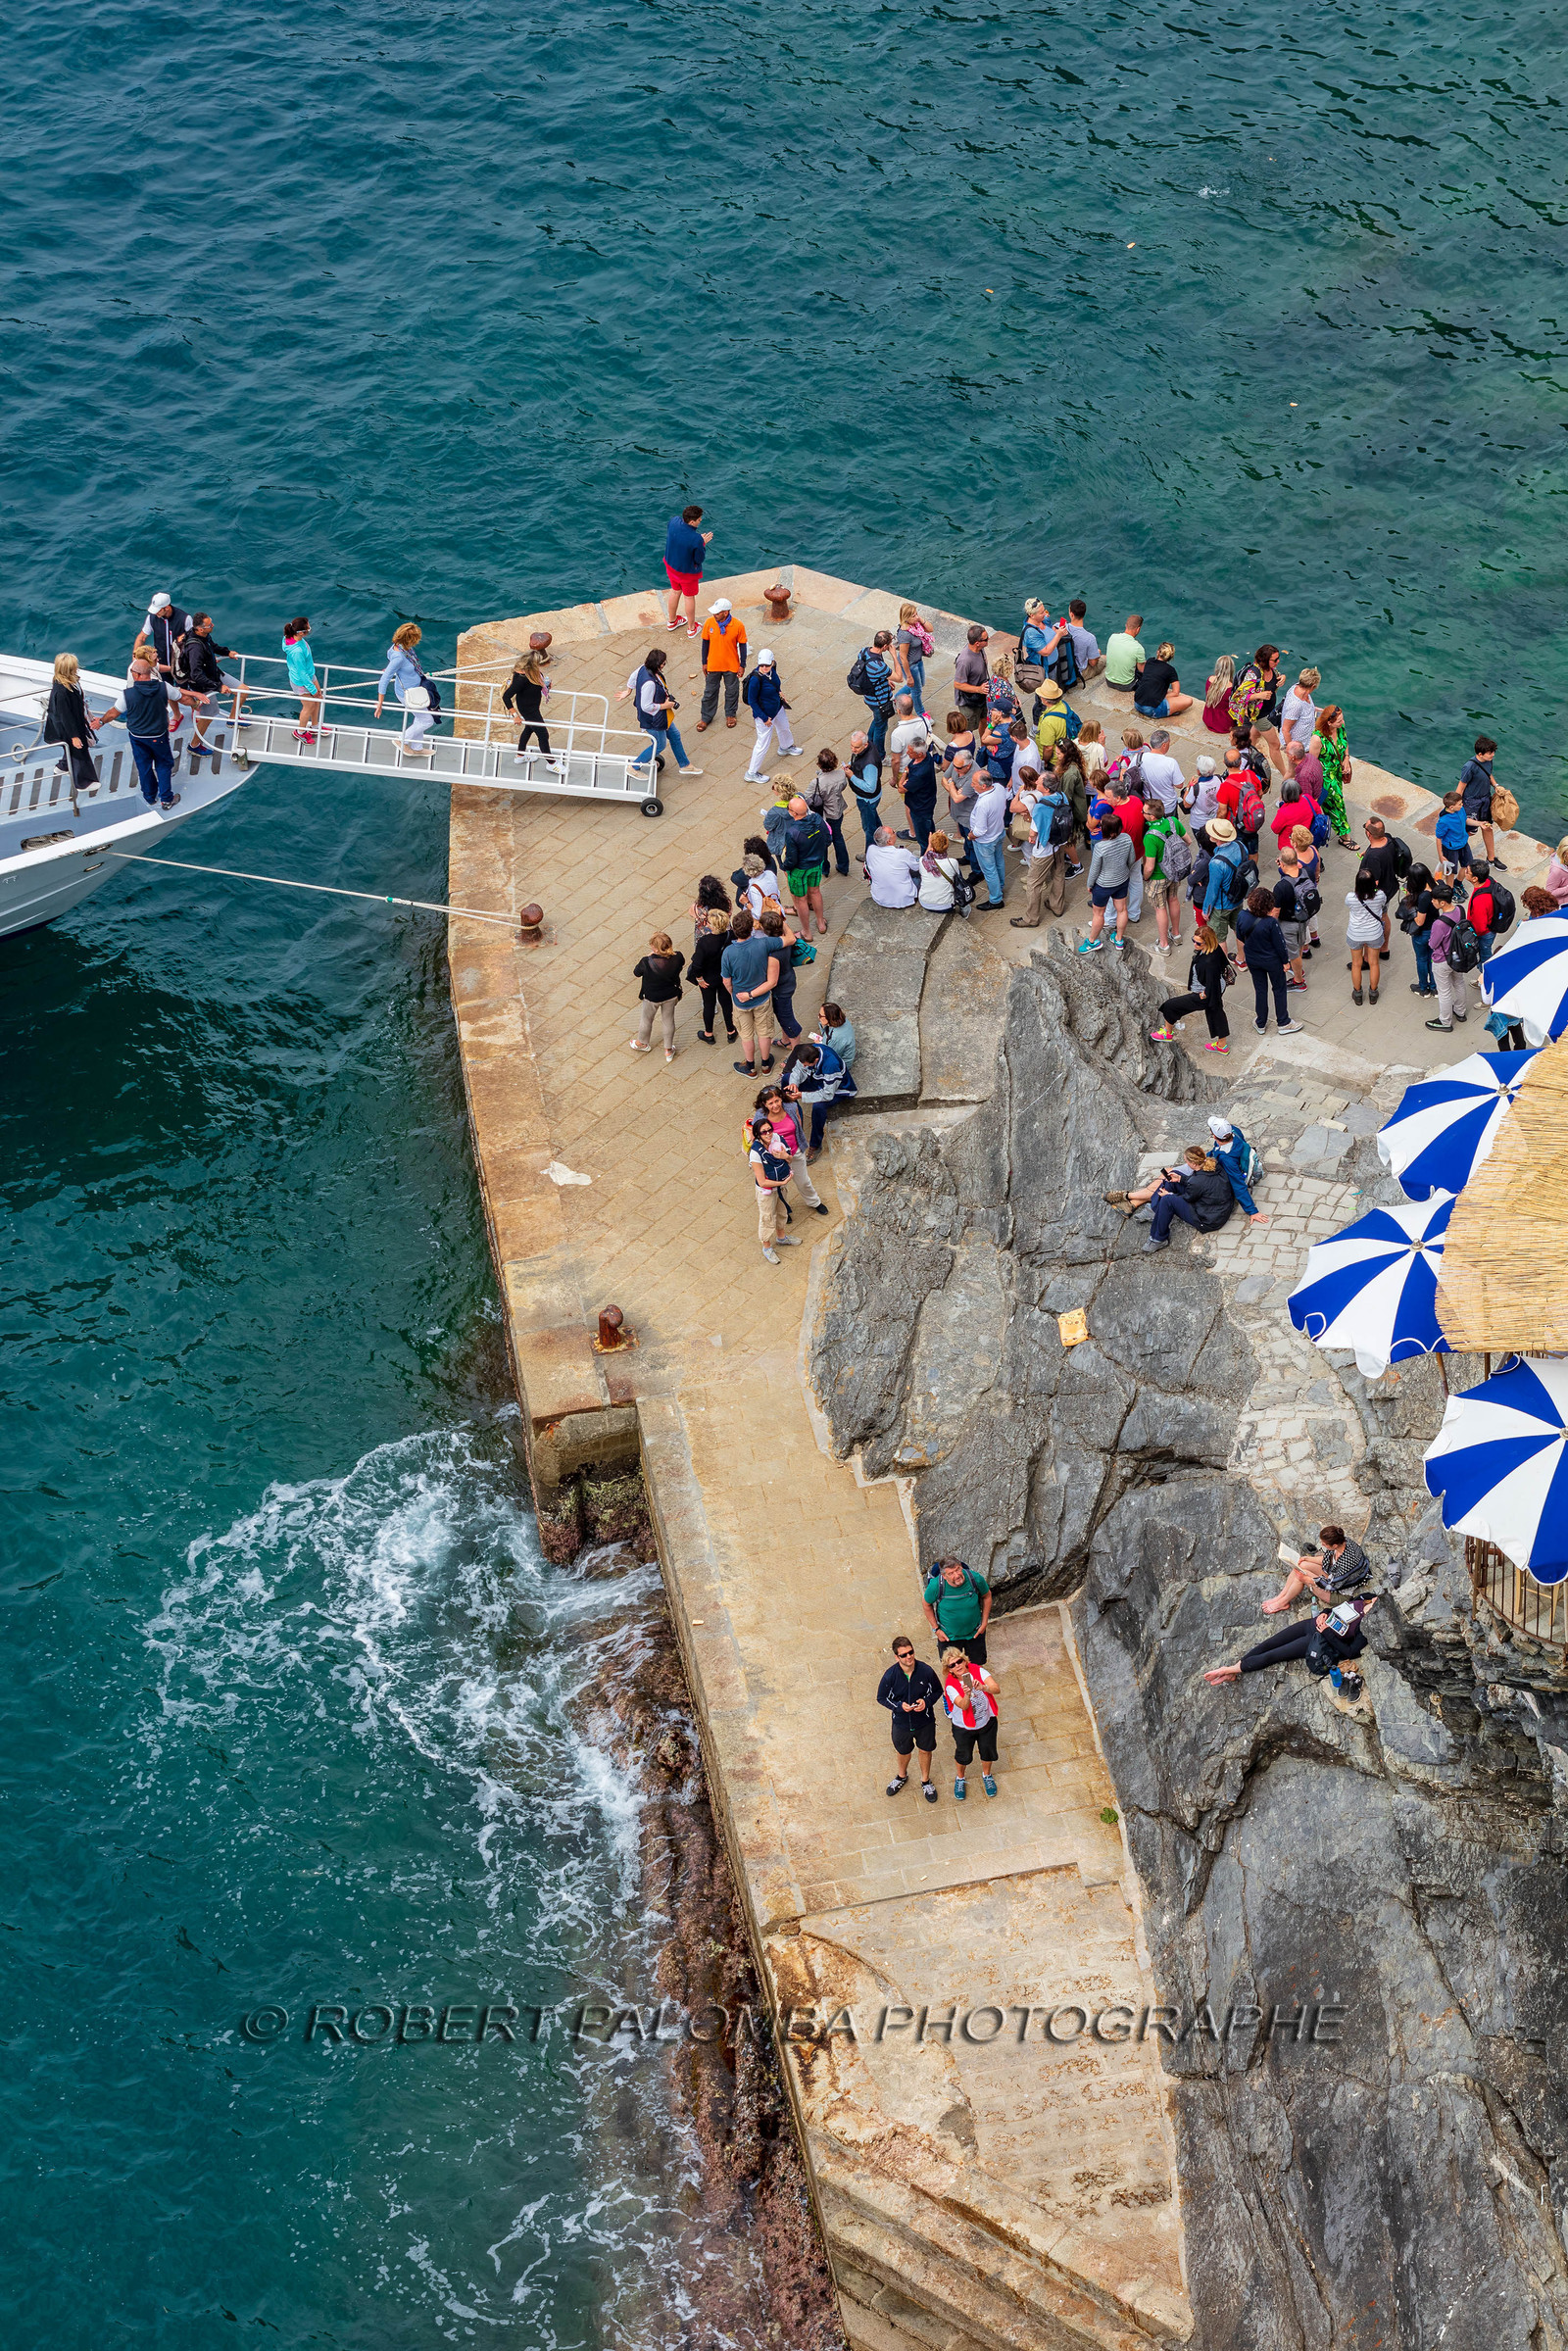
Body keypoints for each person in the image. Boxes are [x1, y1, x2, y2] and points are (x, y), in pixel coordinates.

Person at [1205, 1593, 1378, 1685]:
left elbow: (1350, 1651)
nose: (1375, 1601)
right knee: (1270, 1643)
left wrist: (1326, 1632)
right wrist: (1324, 1614)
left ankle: (1230, 1670)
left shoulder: (1368, 1626)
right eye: (1377, 1599)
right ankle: (1234, 1670)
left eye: (1377, 1603)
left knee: (1274, 1655)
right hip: (1311, 1624)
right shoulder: (1366, 1597)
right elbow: (1337, 1608)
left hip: (1318, 1641)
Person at [1112, 1146, 1236, 1254]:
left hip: (1208, 1219)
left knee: (1168, 1200)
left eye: (1186, 1161)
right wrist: (1181, 1179)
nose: (1186, 1164)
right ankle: (1156, 1210)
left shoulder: (1197, 1182)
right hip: (1214, 1206)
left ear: (1193, 1164)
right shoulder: (1213, 1165)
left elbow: (1189, 1197)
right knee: (1172, 1177)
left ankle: (1158, 1239)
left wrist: (1169, 1194)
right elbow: (1199, 1186)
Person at [99, 658, 182, 809]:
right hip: (158, 736)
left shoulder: (127, 695)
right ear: (150, 672)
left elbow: (113, 714)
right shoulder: (165, 687)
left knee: (144, 766)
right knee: (163, 765)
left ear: (136, 675)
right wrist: (197, 701)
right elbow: (180, 697)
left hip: (137, 737)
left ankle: (150, 797)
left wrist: (100, 722)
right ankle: (166, 799)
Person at [620, 646, 702, 780]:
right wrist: (666, 705)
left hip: (660, 717)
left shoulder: (643, 668)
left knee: (675, 735)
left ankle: (685, 765)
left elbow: (633, 677)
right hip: (653, 720)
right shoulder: (650, 684)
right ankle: (634, 767)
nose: (665, 665)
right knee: (659, 745)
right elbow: (646, 706)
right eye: (663, 663)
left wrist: (628, 691)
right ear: (658, 665)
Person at [877, 1639, 944, 1801]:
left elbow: (937, 1691)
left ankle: (925, 1781)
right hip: (901, 1723)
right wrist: (899, 1707)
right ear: (896, 1657)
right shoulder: (890, 1676)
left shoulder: (926, 1671)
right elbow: (881, 1698)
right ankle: (901, 1776)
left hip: (924, 1721)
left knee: (925, 1750)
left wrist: (926, 1702)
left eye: (911, 1652)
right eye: (904, 1655)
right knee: (903, 1751)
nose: (909, 1657)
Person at [1150, 922, 1232, 1052]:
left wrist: (1204, 995)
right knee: (1216, 1013)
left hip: (1205, 993)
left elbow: (1211, 983)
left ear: (1207, 942)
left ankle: (1167, 1033)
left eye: (1198, 943)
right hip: (1216, 989)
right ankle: (1222, 1045)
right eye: (1194, 941)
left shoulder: (1208, 962)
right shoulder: (1215, 949)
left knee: (1171, 1005)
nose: (1195, 944)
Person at [1261, 1524, 1371, 1615]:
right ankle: (1281, 1596)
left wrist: (1308, 1579)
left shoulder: (1347, 1562)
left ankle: (1283, 1602)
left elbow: (1331, 1585)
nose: (1322, 1545)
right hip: (1334, 1576)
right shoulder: (1343, 1542)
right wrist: (1307, 1559)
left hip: (1339, 1593)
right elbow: (1329, 1559)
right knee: (1302, 1564)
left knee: (1301, 1576)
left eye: (1325, 1544)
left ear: (1334, 1545)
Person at [177, 612, 246, 758]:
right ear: (200, 629)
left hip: (214, 674)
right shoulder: (195, 648)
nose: (213, 625)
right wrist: (218, 687)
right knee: (208, 716)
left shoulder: (204, 636)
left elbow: (212, 646)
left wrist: (227, 652)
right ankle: (194, 745)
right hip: (203, 685)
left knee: (243, 690)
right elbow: (196, 675)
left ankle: (232, 719)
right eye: (210, 625)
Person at [755, 1084, 828, 1214]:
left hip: (795, 1152)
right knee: (779, 1188)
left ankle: (814, 1202)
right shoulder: (760, 1117)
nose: (775, 1105)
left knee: (804, 1182)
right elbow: (757, 1136)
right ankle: (783, 1211)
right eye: (770, 1103)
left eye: (777, 1101)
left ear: (781, 1098)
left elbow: (798, 1125)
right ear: (765, 1104)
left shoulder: (792, 1107)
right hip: (774, 1160)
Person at [721, 907, 777, 1076]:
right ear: (752, 927)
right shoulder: (763, 944)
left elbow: (726, 980)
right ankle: (766, 1065)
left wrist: (733, 994)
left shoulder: (728, 953)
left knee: (746, 1035)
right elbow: (788, 939)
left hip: (741, 1000)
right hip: (762, 998)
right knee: (764, 1032)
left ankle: (751, 1067)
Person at [1011, 773, 1072, 926]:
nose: (1036, 780)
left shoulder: (1040, 806)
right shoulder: (1062, 796)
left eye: (1039, 780)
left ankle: (1031, 918)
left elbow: (1033, 833)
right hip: (1059, 843)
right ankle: (1057, 906)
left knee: (1033, 883)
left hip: (1043, 849)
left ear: (1045, 788)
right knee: (1058, 874)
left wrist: (1031, 835)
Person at [1237, 887, 1299, 1033]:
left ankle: (1261, 1023)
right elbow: (1280, 945)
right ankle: (1283, 1022)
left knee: (1260, 990)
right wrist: (1285, 962)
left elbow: (1240, 936)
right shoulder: (1270, 923)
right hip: (1272, 961)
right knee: (1279, 989)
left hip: (1252, 958)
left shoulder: (1242, 916)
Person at [942, 1651, 1001, 1802]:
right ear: (950, 1670)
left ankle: (986, 1775)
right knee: (964, 1755)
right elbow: (962, 1705)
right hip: (963, 1728)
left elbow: (996, 1688)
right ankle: (960, 1778)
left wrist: (983, 1687)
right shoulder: (950, 1685)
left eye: (959, 1661)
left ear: (964, 1661)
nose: (957, 1666)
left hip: (986, 1722)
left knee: (988, 1751)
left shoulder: (978, 1670)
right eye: (952, 1665)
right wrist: (967, 1694)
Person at [373, 621, 437, 758]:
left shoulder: (399, 647)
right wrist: (380, 703)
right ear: (410, 640)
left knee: (420, 718)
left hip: (416, 688)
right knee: (427, 720)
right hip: (408, 694)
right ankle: (402, 740)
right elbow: (384, 679)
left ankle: (417, 747)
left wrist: (395, 669)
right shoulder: (399, 656)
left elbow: (392, 659)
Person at [742, 648, 802, 783]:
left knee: (784, 727)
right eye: (762, 665)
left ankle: (786, 747)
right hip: (765, 716)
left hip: (777, 708)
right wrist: (764, 718)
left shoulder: (772, 670)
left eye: (767, 665)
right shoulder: (755, 680)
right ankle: (751, 773)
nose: (764, 668)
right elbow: (752, 701)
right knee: (762, 743)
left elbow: (775, 683)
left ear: (772, 662)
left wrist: (779, 692)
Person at [43, 654, 100, 798]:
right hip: (68, 726)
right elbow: (65, 717)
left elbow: (78, 700)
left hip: (74, 720)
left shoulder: (70, 681)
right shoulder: (61, 692)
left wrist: (87, 712)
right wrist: (74, 736)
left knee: (71, 749)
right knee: (79, 750)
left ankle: (63, 765)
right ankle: (82, 782)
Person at [1080, 811, 1135, 951]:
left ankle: (1092, 941)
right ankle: (1119, 939)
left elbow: (1094, 870)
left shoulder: (1100, 847)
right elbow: (1131, 860)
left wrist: (1089, 884)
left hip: (1103, 885)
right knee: (1122, 910)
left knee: (1098, 913)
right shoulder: (1127, 838)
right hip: (1122, 880)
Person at [748, 1115, 799, 1265]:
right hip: (767, 1190)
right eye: (764, 1132)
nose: (769, 1134)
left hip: (781, 1185)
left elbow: (790, 1159)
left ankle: (781, 1237)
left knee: (782, 1212)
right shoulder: (755, 1153)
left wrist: (785, 1156)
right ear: (758, 1135)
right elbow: (762, 1181)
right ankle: (767, 1247)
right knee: (767, 1216)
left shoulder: (778, 1138)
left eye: (770, 1130)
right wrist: (781, 1182)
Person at [502, 649, 563, 771]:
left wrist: (545, 686)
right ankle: (551, 764)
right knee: (543, 734)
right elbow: (506, 696)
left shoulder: (532, 673)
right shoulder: (521, 678)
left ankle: (520, 755)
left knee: (529, 729)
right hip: (528, 710)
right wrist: (516, 715)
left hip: (533, 706)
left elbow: (533, 688)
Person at [1143, 800, 1190, 956]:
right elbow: (1188, 841)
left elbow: (1149, 866)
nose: (1142, 814)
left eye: (1144, 812)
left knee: (1160, 908)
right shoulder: (1173, 822)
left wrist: (1145, 877)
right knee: (1173, 899)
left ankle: (1164, 945)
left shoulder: (1150, 837)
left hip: (1158, 877)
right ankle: (1176, 934)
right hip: (1174, 873)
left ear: (1151, 817)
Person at [628, 932, 685, 1061]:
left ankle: (642, 1043)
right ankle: (668, 1050)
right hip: (671, 994)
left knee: (646, 1020)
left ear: (655, 948)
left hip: (652, 996)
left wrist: (649, 957)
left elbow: (636, 973)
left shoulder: (646, 962)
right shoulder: (678, 957)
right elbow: (680, 964)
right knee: (668, 1020)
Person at [923, 1556, 992, 1663]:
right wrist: (936, 1629)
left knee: (977, 1666)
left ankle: (973, 1681)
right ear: (944, 1576)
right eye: (951, 1573)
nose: (957, 1575)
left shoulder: (975, 1578)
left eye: (958, 1569)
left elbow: (987, 1596)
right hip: (949, 1637)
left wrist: (984, 1623)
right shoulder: (936, 1586)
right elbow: (926, 1604)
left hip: (975, 1633)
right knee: (950, 1669)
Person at [1229, 645, 1286, 773]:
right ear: (1265, 660)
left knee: (1253, 737)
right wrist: (1257, 695)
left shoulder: (1272, 670)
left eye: (1278, 659)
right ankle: (1286, 775)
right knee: (1275, 745)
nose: (1278, 662)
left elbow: (1274, 680)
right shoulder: (1253, 674)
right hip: (1259, 716)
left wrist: (1282, 678)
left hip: (1268, 712)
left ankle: (1243, 760)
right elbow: (1237, 697)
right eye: (1275, 660)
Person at [781, 796, 831, 941]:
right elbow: (828, 839)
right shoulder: (817, 819)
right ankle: (821, 923)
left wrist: (785, 867)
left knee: (801, 899)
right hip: (817, 863)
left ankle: (806, 932)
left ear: (793, 813)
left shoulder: (792, 832)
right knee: (815, 892)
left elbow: (791, 857)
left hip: (799, 869)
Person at [1424, 883, 1471, 1034]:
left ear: (1442, 903)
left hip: (1442, 960)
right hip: (1459, 957)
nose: (1432, 901)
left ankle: (1445, 1021)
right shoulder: (1460, 909)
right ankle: (1460, 1011)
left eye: (1434, 900)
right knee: (1459, 983)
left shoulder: (1439, 923)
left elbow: (1433, 943)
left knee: (1444, 991)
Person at [1204, 1114, 1267, 1222]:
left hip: (1235, 1172)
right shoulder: (1235, 1131)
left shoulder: (1226, 1159)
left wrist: (1253, 1211)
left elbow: (1238, 1184)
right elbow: (1216, 1149)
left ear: (1214, 1136)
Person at [1200, 817, 1253, 942]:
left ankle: (1224, 961)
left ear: (1217, 839)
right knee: (1239, 931)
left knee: (1219, 939)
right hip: (1238, 898)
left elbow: (1212, 889)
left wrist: (1206, 910)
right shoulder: (1240, 846)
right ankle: (1241, 959)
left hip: (1222, 905)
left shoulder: (1216, 862)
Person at [690, 908, 738, 1046]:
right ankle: (731, 1031)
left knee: (709, 1005)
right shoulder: (731, 935)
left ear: (714, 926)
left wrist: (699, 978)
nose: (707, 924)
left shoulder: (704, 942)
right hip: (725, 976)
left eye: (709, 922)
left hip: (708, 979)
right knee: (727, 1003)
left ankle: (708, 1034)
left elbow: (697, 965)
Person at [698, 599, 747, 730]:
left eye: (717, 613)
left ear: (726, 613)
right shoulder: (709, 623)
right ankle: (706, 717)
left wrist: (742, 665)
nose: (715, 615)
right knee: (709, 692)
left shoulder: (738, 625)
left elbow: (743, 646)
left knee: (732, 691)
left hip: (731, 665)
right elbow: (705, 644)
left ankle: (730, 714)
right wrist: (704, 662)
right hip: (713, 665)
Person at [663, 504, 712, 635]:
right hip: (687, 573)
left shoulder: (674, 522)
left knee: (675, 591)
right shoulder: (696, 539)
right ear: (692, 521)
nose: (700, 521)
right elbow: (698, 559)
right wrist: (702, 543)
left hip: (671, 566)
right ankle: (692, 628)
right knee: (689, 597)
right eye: (699, 520)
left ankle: (672, 621)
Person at [759, 905, 805, 1043]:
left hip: (782, 989)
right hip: (789, 980)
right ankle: (785, 1041)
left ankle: (795, 1049)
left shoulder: (774, 955)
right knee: (783, 1014)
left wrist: (750, 994)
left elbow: (772, 981)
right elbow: (788, 933)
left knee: (786, 1018)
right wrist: (780, 920)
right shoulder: (785, 938)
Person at [805, 746, 851, 877]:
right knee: (838, 838)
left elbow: (808, 796)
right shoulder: (842, 775)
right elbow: (843, 786)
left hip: (824, 815)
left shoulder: (817, 782)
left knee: (822, 842)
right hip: (838, 811)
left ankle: (825, 869)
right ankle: (843, 866)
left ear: (819, 764)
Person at [1357, 818, 1401, 956]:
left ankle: (1367, 958)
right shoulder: (1387, 839)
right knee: (1384, 916)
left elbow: (1373, 883)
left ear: (1369, 834)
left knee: (1370, 924)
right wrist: (1368, 851)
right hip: (1390, 887)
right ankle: (1384, 949)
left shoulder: (1373, 857)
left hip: (1377, 895)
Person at [967, 768, 1010, 910]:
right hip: (998, 832)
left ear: (984, 786)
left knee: (989, 870)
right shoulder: (998, 788)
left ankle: (996, 899)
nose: (972, 785)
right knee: (999, 861)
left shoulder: (983, 804)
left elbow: (980, 830)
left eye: (974, 783)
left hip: (985, 841)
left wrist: (970, 835)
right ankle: (1000, 886)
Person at [1273, 839, 1311, 993]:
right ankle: (1298, 969)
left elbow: (1275, 912)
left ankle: (1298, 981)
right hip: (1303, 917)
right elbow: (1290, 870)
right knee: (1299, 945)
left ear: (1282, 864)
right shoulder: (1304, 872)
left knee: (1293, 952)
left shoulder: (1281, 887)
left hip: (1289, 923)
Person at [1460, 735, 1504, 868]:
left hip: (1485, 799)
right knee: (1469, 831)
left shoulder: (1488, 761)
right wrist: (1456, 806)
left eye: (1493, 752)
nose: (1493, 755)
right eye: (1490, 753)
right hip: (1471, 802)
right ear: (1480, 754)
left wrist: (1496, 785)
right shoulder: (1469, 767)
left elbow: (1488, 774)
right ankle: (1457, 850)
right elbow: (1461, 786)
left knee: (1487, 827)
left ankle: (1491, 859)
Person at [1397, 860, 1439, 999]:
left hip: (1423, 933)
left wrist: (1409, 904)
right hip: (1435, 930)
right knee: (1433, 958)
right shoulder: (1436, 886)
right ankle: (1435, 987)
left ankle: (1424, 988)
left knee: (1422, 959)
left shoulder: (1423, 897)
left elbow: (1419, 921)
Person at [1347, 869, 1387, 1004]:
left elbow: (1349, 906)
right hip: (1374, 933)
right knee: (1374, 963)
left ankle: (1357, 993)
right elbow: (1383, 906)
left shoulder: (1351, 897)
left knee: (1356, 964)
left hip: (1355, 933)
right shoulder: (1380, 895)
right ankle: (1373, 992)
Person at [1315, 706, 1353, 846]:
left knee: (1330, 803)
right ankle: (1345, 836)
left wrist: (1346, 759)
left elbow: (1344, 742)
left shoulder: (1340, 728)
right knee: (1338, 803)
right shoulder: (1318, 738)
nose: (1342, 723)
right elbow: (1313, 762)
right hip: (1325, 776)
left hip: (1337, 773)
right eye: (1339, 721)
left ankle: (1324, 819)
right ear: (1329, 723)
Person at [282, 616, 320, 743]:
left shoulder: (290, 638)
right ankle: (300, 732)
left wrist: (315, 690)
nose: (310, 628)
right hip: (301, 682)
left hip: (310, 675)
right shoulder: (297, 651)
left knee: (319, 698)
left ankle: (315, 727)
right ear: (300, 632)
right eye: (308, 627)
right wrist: (312, 689)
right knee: (308, 707)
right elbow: (302, 673)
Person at [1132, 641, 1195, 718]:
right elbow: (1176, 692)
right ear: (1170, 657)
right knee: (1188, 701)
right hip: (1151, 710)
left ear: (1158, 652)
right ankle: (1169, 711)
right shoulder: (1171, 670)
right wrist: (1161, 696)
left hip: (1137, 703)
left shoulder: (1149, 661)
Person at [844, 731, 885, 850]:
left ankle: (870, 855)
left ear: (865, 745)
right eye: (851, 746)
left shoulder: (869, 764)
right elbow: (858, 760)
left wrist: (851, 776)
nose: (853, 749)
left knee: (869, 829)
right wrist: (851, 765)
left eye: (856, 747)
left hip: (867, 799)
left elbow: (870, 788)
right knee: (875, 821)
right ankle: (883, 841)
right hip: (871, 798)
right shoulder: (867, 748)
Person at [892, 603, 933, 715]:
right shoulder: (905, 634)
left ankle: (895, 698)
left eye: (916, 614)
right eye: (913, 616)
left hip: (918, 661)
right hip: (910, 665)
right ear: (906, 618)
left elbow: (930, 629)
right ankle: (922, 714)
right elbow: (903, 657)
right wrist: (909, 676)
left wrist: (920, 618)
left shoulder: (916, 626)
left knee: (920, 684)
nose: (916, 617)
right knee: (916, 690)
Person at [901, 736, 941, 852]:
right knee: (928, 828)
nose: (907, 753)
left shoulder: (919, 773)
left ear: (920, 754)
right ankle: (934, 846)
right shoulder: (926, 757)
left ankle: (926, 858)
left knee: (923, 839)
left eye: (910, 752)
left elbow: (901, 788)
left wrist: (904, 773)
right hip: (926, 802)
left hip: (920, 808)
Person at [865, 825, 921, 907]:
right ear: (889, 841)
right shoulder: (902, 853)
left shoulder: (871, 850)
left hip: (880, 898)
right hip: (904, 899)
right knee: (921, 876)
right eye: (893, 832)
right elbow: (919, 866)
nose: (895, 831)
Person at [1279, 666, 1321, 772]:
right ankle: (1287, 788)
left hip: (1305, 743)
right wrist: (1292, 752)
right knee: (1293, 773)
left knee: (1301, 772)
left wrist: (1324, 711)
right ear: (1313, 686)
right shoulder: (1296, 705)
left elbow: (1308, 709)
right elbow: (1285, 729)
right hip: (1296, 747)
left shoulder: (1301, 689)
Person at [953, 623, 990, 733]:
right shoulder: (964, 661)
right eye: (986, 639)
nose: (989, 639)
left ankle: (984, 747)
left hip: (981, 696)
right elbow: (958, 684)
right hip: (968, 702)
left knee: (985, 720)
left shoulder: (980, 649)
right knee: (968, 729)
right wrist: (979, 689)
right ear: (977, 643)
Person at [918, 829, 964, 911]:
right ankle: (964, 909)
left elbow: (925, 856)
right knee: (958, 877)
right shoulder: (952, 862)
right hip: (946, 905)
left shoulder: (923, 861)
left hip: (924, 902)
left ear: (932, 848)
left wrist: (930, 843)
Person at [1103, 614, 1145, 695]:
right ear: (1138, 629)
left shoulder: (1112, 637)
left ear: (1126, 625)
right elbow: (1141, 670)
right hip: (1126, 685)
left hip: (1109, 681)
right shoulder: (1138, 647)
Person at [1435, 790, 1472, 878]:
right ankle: (1450, 889)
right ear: (1451, 807)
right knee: (1450, 871)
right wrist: (1441, 855)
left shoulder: (1461, 810)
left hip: (1463, 843)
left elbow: (1465, 820)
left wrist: (1480, 824)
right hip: (1451, 848)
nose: (1462, 805)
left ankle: (1458, 884)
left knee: (1468, 865)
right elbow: (1438, 838)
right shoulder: (1443, 821)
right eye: (1459, 804)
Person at [1064, 598, 1103, 678]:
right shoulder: (1089, 638)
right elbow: (1093, 663)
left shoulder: (1060, 627)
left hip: (1065, 668)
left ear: (1071, 614)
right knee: (1104, 658)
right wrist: (1097, 654)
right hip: (1079, 673)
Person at [1201, 654, 1237, 736]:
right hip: (1224, 724)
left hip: (1208, 718)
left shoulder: (1209, 679)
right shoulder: (1231, 688)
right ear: (1231, 670)